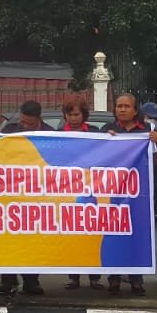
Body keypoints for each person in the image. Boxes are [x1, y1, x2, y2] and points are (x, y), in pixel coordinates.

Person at [100, 92, 157, 297]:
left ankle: (136, 279)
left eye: (127, 106)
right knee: (114, 232)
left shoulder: (146, 131)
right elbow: (97, 158)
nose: (122, 109)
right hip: (113, 192)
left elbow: (155, 162)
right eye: (119, 106)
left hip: (138, 192)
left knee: (137, 233)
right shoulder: (107, 130)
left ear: (135, 110)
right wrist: (106, 142)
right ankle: (114, 279)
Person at [0, 100, 46, 297]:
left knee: (32, 239)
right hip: (9, 193)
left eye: (30, 124)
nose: (25, 127)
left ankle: (31, 281)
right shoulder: (9, 130)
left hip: (36, 194)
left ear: (39, 120)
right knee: (7, 238)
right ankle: (6, 280)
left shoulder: (50, 133)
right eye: (23, 122)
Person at [59, 93, 104, 293]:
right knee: (72, 233)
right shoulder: (57, 134)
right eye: (70, 114)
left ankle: (94, 277)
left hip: (91, 190)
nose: (73, 118)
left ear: (84, 115)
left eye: (77, 114)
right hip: (68, 191)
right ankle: (73, 277)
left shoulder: (95, 133)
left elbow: (107, 154)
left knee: (91, 232)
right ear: (65, 116)